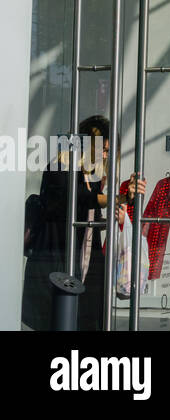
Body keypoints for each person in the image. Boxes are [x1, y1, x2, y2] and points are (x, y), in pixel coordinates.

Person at [21, 115, 145, 330]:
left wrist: (117, 212)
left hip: (86, 262)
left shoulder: (94, 176)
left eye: (108, 150)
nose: (105, 155)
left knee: (85, 318)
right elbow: (77, 199)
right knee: (57, 318)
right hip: (56, 259)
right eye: (101, 149)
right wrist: (121, 197)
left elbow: (89, 213)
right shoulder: (59, 168)